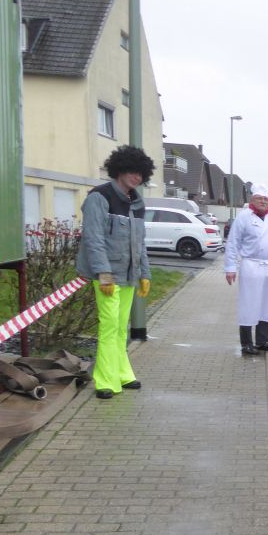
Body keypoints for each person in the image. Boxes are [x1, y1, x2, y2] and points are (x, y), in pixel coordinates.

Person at [76, 144, 154, 400]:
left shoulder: (137, 204)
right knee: (109, 326)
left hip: (129, 276)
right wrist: (103, 273)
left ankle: (122, 373)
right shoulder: (99, 197)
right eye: (132, 171)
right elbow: (93, 238)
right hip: (108, 276)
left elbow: (140, 243)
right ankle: (105, 380)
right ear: (119, 169)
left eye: (141, 173)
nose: (137, 177)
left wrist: (145, 274)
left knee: (121, 327)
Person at [225, 184, 268, 355]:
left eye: (265, 199)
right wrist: (230, 267)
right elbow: (233, 243)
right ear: (252, 200)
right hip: (251, 265)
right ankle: (246, 343)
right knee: (249, 304)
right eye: (259, 199)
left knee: (266, 304)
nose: (263, 202)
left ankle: (263, 340)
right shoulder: (244, 217)